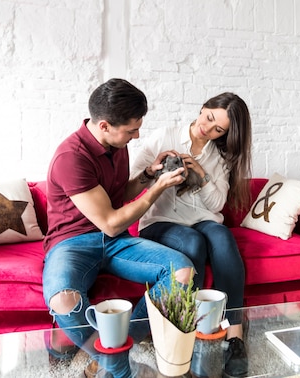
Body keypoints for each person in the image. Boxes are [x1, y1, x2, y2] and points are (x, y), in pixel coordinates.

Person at [42, 78, 195, 378]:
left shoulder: (115, 143)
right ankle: (110, 360)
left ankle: (114, 353)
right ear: (103, 126)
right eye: (131, 130)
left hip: (115, 242)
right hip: (72, 243)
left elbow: (116, 196)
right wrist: (160, 187)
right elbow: (110, 222)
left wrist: (150, 175)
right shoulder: (71, 158)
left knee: (182, 271)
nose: (137, 136)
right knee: (62, 299)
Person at [130, 92, 252, 377]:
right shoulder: (164, 137)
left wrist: (202, 175)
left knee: (222, 236)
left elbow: (217, 205)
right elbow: (132, 185)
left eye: (218, 129)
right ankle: (189, 332)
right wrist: (156, 172)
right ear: (203, 107)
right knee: (192, 243)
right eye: (208, 117)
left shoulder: (218, 155)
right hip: (161, 222)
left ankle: (234, 337)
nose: (207, 129)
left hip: (203, 220)